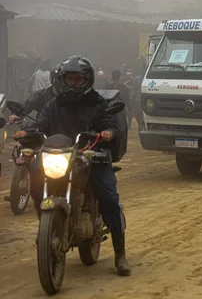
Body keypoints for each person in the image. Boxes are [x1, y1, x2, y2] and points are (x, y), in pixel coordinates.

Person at [22, 56, 131, 276]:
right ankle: (47, 226)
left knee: (109, 197)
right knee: (34, 175)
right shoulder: (53, 104)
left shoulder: (98, 103)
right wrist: (28, 133)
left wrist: (108, 132)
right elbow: (41, 124)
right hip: (60, 155)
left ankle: (120, 253)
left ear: (86, 80)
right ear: (63, 80)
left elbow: (110, 123)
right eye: (69, 79)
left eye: (77, 80)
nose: (73, 84)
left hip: (91, 155)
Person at [132, 63, 146, 131]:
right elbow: (133, 91)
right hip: (141, 101)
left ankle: (141, 127)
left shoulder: (136, 79)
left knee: (140, 117)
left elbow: (133, 91)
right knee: (140, 117)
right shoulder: (137, 79)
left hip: (139, 101)